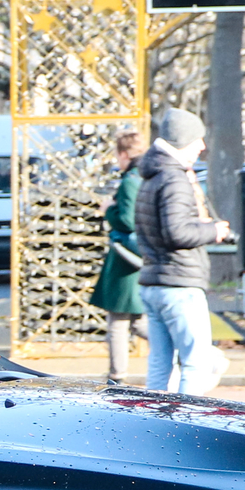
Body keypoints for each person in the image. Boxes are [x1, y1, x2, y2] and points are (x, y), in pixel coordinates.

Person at [134, 107, 233, 394]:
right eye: (198, 140)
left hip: (154, 280)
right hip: (179, 283)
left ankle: (152, 420)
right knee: (195, 363)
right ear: (184, 141)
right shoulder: (174, 179)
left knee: (160, 364)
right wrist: (213, 231)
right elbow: (177, 231)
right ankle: (187, 425)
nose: (202, 146)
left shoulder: (152, 175)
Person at [88, 128, 145, 383]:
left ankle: (117, 375)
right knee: (136, 320)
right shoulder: (143, 176)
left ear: (124, 154)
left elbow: (127, 219)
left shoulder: (131, 180)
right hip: (135, 256)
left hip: (126, 258)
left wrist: (109, 209)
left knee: (119, 321)